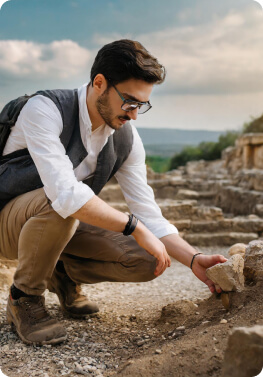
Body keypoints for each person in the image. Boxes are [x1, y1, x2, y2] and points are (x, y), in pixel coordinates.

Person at [0, 39, 227, 346]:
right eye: (130, 102)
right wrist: (132, 227)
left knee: (149, 258)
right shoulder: (45, 109)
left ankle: (61, 273)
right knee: (62, 202)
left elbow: (149, 214)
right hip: (8, 224)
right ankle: (23, 298)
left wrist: (194, 258)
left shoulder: (126, 139)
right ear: (99, 83)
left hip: (55, 226)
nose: (134, 115)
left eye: (141, 106)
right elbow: (66, 195)